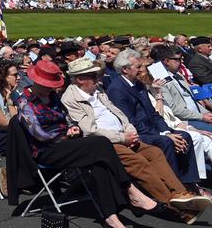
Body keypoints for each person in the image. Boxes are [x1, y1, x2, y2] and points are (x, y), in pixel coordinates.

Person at [18, 59, 164, 228]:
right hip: (47, 150)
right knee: (100, 143)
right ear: (37, 82)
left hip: (68, 143)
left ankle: (111, 218)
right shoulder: (25, 102)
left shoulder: (52, 97)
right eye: (47, 85)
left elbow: (66, 118)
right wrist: (65, 134)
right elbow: (39, 134)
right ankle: (130, 190)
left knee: (99, 162)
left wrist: (73, 128)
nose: (51, 88)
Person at [62, 56, 209, 222]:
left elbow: (118, 112)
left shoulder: (98, 91)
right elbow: (90, 130)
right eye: (94, 76)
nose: (99, 79)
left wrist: (129, 129)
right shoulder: (71, 98)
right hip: (105, 142)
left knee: (154, 153)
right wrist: (122, 137)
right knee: (139, 162)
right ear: (80, 79)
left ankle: (180, 193)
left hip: (125, 135)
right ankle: (173, 205)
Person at [106, 49, 201, 185]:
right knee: (166, 142)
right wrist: (163, 135)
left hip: (153, 129)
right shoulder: (116, 89)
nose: (141, 70)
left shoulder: (138, 84)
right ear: (125, 69)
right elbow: (130, 121)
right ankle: (175, 186)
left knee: (185, 137)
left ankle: (189, 183)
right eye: (138, 67)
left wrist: (167, 131)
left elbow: (153, 113)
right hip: (140, 133)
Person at [153, 44, 212, 133]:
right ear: (166, 61)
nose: (181, 62)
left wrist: (207, 114)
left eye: (181, 59)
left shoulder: (178, 75)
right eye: (177, 60)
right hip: (185, 120)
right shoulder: (161, 80)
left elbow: (193, 100)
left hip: (198, 114)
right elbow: (174, 109)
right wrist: (202, 117)